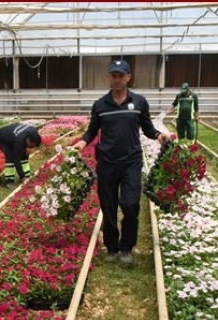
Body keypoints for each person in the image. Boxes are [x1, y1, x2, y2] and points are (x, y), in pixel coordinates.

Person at [71, 59, 174, 267]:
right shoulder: (100, 105)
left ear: (128, 77)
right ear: (109, 77)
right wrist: (82, 143)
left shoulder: (139, 102)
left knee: (130, 204)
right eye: (113, 75)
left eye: (121, 75)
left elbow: (147, 127)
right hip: (107, 162)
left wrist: (158, 135)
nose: (117, 79)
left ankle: (127, 247)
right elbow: (92, 130)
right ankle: (112, 247)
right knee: (108, 206)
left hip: (131, 162)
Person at [0, 122, 42, 188]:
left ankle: (26, 175)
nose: (31, 148)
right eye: (31, 146)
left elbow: (29, 145)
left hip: (12, 137)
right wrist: (22, 176)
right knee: (10, 156)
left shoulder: (33, 131)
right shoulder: (19, 140)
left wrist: (27, 147)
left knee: (25, 153)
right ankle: (9, 181)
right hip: (2, 138)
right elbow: (16, 159)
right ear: (28, 140)